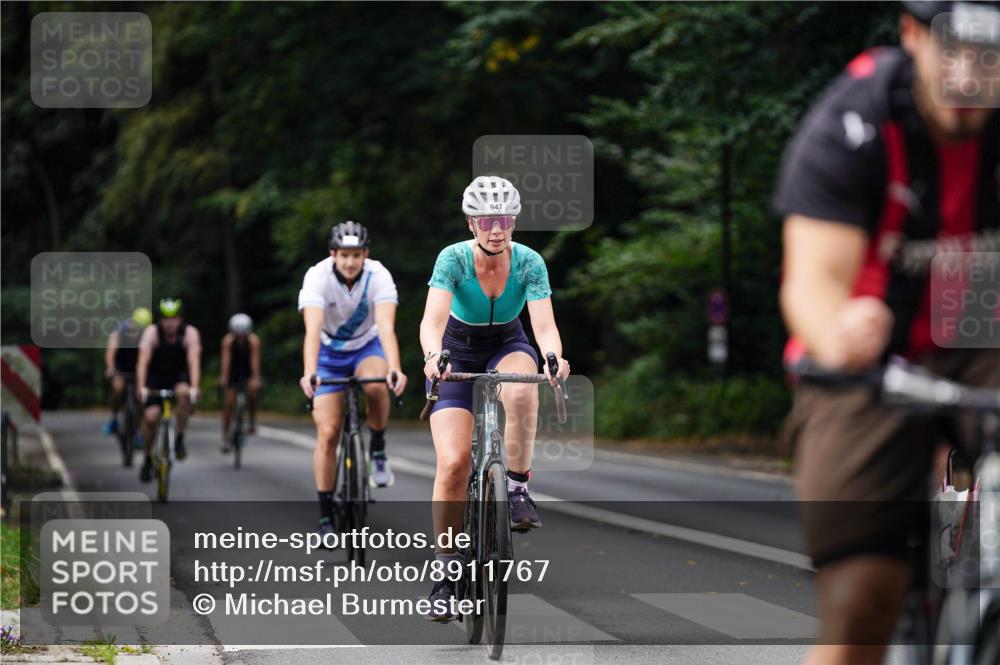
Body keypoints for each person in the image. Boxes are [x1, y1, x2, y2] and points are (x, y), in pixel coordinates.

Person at [775, 3, 1000, 663]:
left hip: (983, 335)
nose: (969, 76)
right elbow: (811, 284)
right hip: (873, 353)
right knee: (862, 602)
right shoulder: (854, 123)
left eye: (990, 56)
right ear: (911, 35)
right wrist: (836, 333)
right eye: (953, 50)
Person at [419, 175, 570, 622]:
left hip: (509, 343)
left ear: (514, 221)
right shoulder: (452, 260)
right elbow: (431, 321)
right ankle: (446, 575)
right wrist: (432, 357)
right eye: (487, 220)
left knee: (523, 391)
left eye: (503, 219)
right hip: (457, 350)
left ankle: (518, 486)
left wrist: (553, 358)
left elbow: (544, 327)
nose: (496, 229)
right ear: (472, 223)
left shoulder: (528, 263)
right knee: (451, 465)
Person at [297, 221, 407, 541]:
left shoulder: (378, 275)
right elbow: (312, 331)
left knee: (375, 385)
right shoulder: (317, 277)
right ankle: (325, 517)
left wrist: (395, 368)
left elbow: (386, 327)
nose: (349, 262)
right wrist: (309, 372)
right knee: (329, 432)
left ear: (365, 255)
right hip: (327, 353)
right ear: (333, 254)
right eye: (344, 255)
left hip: (366, 346)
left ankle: (378, 449)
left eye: (356, 255)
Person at [135, 298, 203, 482]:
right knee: (150, 418)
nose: (170, 323)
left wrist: (195, 387)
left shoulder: (190, 333)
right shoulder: (152, 333)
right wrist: (141, 386)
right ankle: (148, 458)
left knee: (184, 394)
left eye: (174, 318)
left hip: (178, 377)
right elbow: (143, 361)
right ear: (160, 319)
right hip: (155, 378)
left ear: (181, 319)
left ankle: (180, 437)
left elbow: (194, 361)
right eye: (166, 318)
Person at [102, 307, 153, 436]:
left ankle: (139, 429)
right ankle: (113, 418)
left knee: (141, 396)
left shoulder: (149, 334)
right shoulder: (120, 331)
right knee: (118, 388)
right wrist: (110, 367)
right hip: (121, 367)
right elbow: (110, 352)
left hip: (139, 368)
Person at [219, 313, 262, 452]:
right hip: (233, 371)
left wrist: (255, 378)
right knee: (229, 403)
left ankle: (252, 421)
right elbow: (226, 361)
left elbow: (255, 361)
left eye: (243, 334)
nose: (241, 337)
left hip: (247, 370)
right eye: (238, 334)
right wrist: (224, 378)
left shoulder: (254, 341)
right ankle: (225, 437)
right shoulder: (228, 341)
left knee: (252, 393)